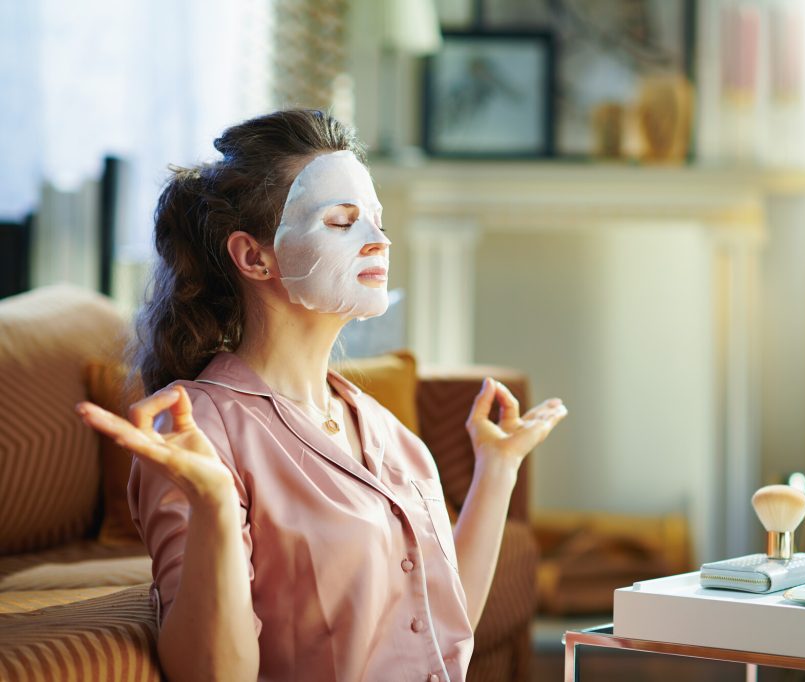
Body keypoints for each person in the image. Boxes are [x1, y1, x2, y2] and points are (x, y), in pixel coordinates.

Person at [74, 109, 568, 682]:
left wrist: (497, 467)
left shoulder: (390, 434)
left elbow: (445, 628)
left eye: (377, 221)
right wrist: (211, 503)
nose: (378, 241)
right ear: (254, 256)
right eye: (341, 221)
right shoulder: (200, 430)